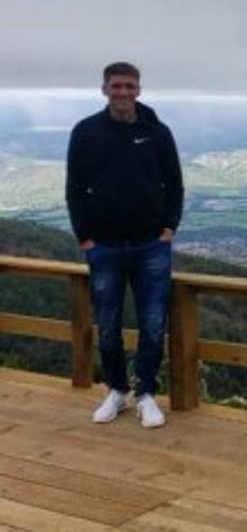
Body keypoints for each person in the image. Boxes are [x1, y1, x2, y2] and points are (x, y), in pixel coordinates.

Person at [66, 62, 184, 428]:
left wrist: (170, 226)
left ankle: (146, 393)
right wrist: (85, 237)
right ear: (104, 89)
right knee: (108, 325)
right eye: (116, 86)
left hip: (152, 245)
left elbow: (174, 183)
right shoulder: (86, 132)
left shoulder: (157, 132)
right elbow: (74, 188)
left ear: (139, 90)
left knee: (153, 324)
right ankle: (116, 391)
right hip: (105, 246)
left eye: (129, 86)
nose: (123, 92)